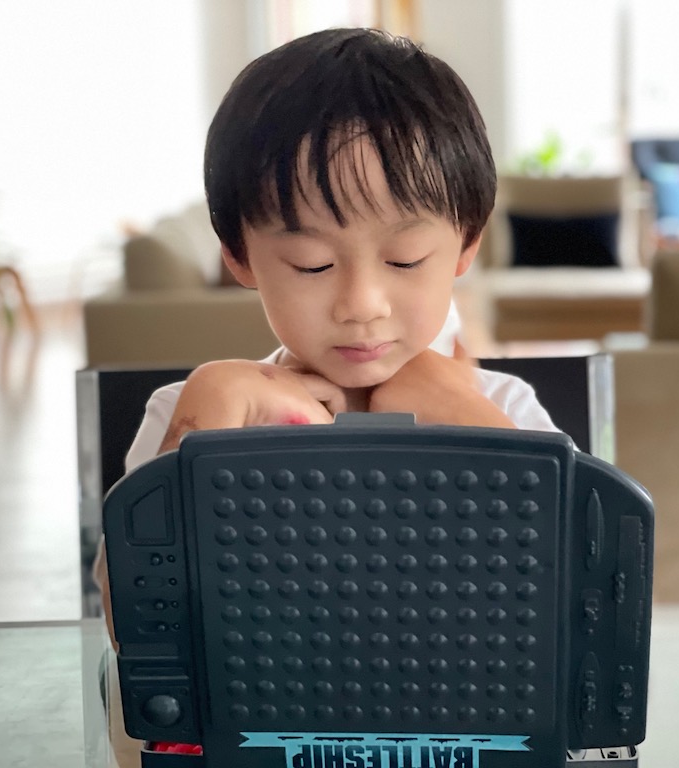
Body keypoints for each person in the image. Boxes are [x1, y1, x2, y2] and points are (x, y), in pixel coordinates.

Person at [95, 27, 558, 766]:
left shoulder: (505, 407)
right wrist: (208, 409)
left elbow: (571, 629)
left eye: (405, 258)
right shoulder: (199, 410)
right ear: (240, 256)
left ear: (466, 245)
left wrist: (474, 421)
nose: (361, 304)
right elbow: (136, 630)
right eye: (311, 263)